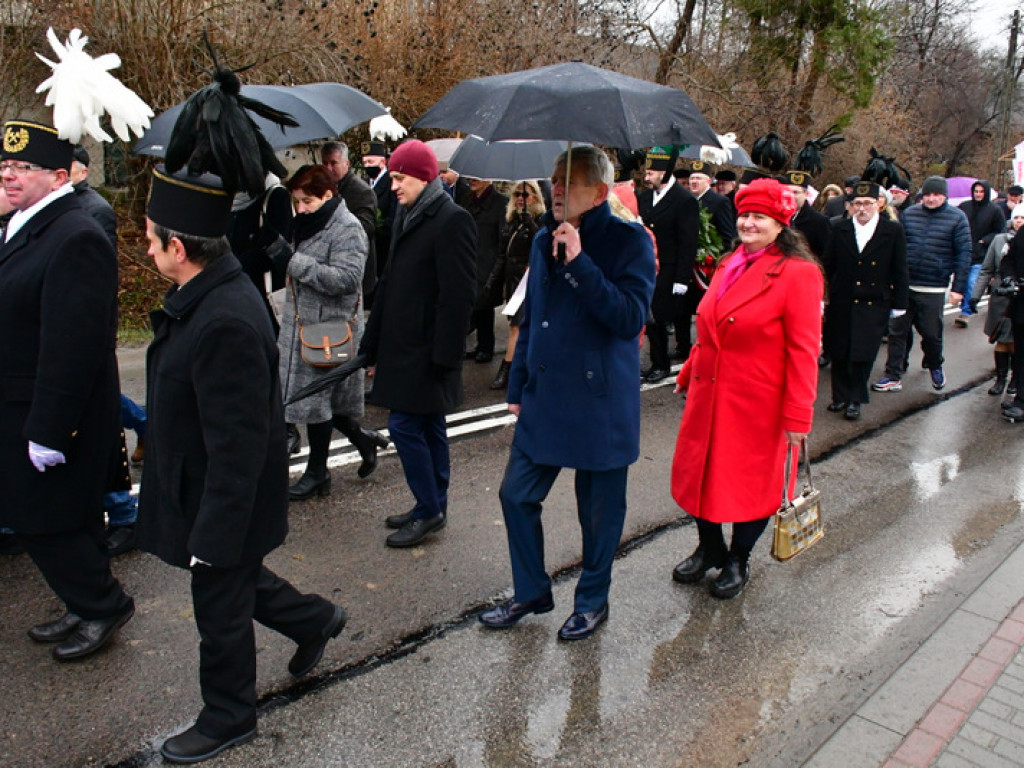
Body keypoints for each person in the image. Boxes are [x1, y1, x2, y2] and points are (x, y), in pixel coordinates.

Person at [138, 166, 347, 764]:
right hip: (206, 489)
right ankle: (316, 620)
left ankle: (229, 716)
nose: (148, 249)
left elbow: (241, 446)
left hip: (221, 499)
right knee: (239, 583)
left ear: (179, 248)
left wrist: (214, 534)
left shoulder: (224, 317)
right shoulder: (206, 296)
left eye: (153, 240)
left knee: (220, 609)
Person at [479, 146, 656, 640]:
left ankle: (592, 601)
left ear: (599, 193)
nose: (556, 189)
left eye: (569, 181)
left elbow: (628, 319)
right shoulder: (541, 239)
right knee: (515, 496)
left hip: (600, 402)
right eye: (555, 180)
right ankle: (531, 590)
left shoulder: (630, 242)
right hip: (546, 395)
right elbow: (533, 315)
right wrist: (517, 383)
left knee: (598, 515)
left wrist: (580, 262)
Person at [0, 119, 134, 658]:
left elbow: (73, 344)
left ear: (58, 177)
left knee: (45, 519)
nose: (8, 176)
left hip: (49, 408)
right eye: (4, 166)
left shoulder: (75, 233)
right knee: (56, 516)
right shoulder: (22, 224)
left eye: (22, 168)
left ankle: (103, 604)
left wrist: (50, 429)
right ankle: (84, 602)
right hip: (19, 400)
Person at [670, 178, 823, 599]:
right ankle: (710, 547)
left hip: (759, 404)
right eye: (745, 215)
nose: (749, 223)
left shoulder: (799, 274)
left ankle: (738, 558)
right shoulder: (728, 264)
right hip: (710, 395)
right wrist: (688, 369)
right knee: (701, 477)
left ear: (781, 224)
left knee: (750, 486)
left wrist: (798, 416)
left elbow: (804, 352)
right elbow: (708, 330)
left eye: (760, 217)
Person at [357, 140, 477, 548]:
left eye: (399, 178)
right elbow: (390, 281)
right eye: (391, 177)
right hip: (402, 345)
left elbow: (458, 296)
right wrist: (369, 343)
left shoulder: (451, 219)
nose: (393, 186)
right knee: (428, 426)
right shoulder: (409, 213)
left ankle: (429, 509)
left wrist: (445, 357)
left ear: (424, 177)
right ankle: (432, 503)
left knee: (404, 426)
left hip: (427, 352)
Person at [275, 165, 387, 501]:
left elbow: (347, 280)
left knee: (317, 402)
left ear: (328, 194)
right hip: (303, 326)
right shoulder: (309, 222)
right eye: (297, 202)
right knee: (327, 404)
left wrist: (294, 263)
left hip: (329, 330)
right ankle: (364, 441)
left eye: (307, 201)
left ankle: (317, 473)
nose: (301, 208)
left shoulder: (348, 228)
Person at [873, 176, 971, 393]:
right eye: (927, 194)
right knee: (897, 330)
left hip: (933, 285)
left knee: (931, 332)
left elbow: (964, 255)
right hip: (906, 283)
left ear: (944, 196)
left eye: (936, 195)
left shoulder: (957, 218)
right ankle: (893, 374)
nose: (931, 199)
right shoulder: (909, 214)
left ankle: (935, 365)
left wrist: (958, 289)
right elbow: (897, 248)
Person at [822, 181, 908, 420]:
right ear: (850, 205)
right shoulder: (840, 228)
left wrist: (899, 304)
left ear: (878, 205)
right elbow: (827, 265)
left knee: (863, 352)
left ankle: (855, 399)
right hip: (843, 299)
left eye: (867, 203)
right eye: (857, 203)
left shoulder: (891, 231)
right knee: (839, 349)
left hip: (873, 301)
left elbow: (900, 269)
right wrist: (821, 295)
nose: (862, 208)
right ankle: (839, 396)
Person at [637, 147, 700, 382]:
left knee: (660, 318)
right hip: (647, 265)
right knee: (649, 317)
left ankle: (661, 364)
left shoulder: (684, 200)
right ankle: (655, 361)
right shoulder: (645, 197)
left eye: (651, 172)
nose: (647, 177)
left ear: (665, 172)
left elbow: (687, 242)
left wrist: (682, 279)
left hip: (669, 267)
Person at [484, 180, 544, 390]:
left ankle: (507, 370)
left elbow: (543, 247)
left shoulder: (539, 220)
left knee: (516, 328)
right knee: (522, 327)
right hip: (513, 281)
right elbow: (502, 255)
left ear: (535, 197)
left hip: (529, 279)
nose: (520, 198)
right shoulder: (511, 221)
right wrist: (492, 280)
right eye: (517, 194)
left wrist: (531, 224)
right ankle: (525, 368)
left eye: (525, 195)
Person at [971, 206, 1023, 396]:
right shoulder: (1000, 240)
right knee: (1000, 339)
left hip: (1020, 299)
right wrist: (975, 295)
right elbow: (986, 269)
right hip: (1001, 297)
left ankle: (1016, 380)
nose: (1019, 221)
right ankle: (1000, 379)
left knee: (1016, 341)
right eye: (1016, 217)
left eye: (1023, 217)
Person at [458, 176, 509, 364]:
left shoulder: (501, 203)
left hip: (487, 262)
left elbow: (501, 237)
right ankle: (479, 346)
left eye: (477, 178)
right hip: (467, 259)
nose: (472, 180)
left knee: (484, 305)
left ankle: (486, 347)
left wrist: (497, 266)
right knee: (471, 303)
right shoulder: (466, 200)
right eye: (470, 178)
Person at [322, 141, 378, 299]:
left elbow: (366, 229)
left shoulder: (361, 192)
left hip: (355, 273)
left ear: (346, 163)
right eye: (325, 163)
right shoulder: (325, 189)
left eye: (333, 163)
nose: (328, 168)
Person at [956, 181, 1004, 327]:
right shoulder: (964, 207)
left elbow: (1000, 230)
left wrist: (985, 240)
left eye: (981, 191)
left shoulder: (994, 210)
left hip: (981, 254)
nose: (978, 194)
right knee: (961, 283)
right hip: (962, 252)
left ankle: (966, 312)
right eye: (976, 191)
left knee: (972, 283)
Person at [361, 140, 396, 289]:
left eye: (371, 161)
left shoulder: (391, 183)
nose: (367, 165)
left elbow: (393, 216)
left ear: (382, 161)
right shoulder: (363, 183)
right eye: (365, 162)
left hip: (382, 245)